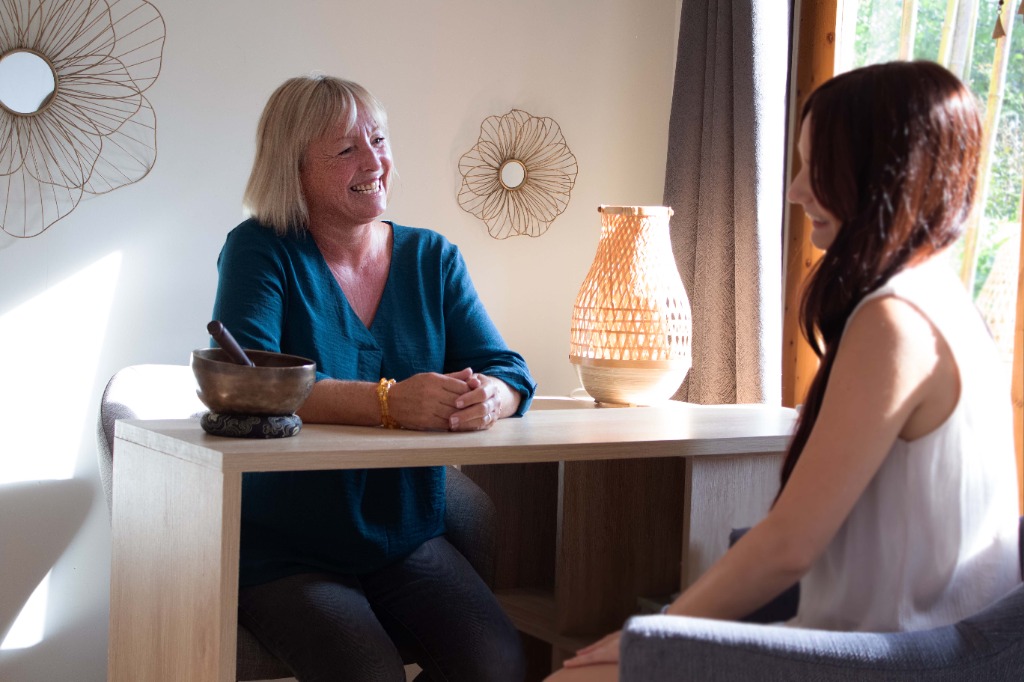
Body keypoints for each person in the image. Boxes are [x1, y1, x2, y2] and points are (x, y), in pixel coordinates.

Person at [545, 61, 1021, 682]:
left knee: (580, 675)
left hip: (893, 662)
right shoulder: (943, 298)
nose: (796, 191)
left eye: (814, 168)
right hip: (928, 646)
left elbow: (789, 546)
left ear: (880, 173)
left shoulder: (894, 321)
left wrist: (655, 635)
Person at [212, 74, 536, 682]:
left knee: (500, 663)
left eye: (378, 140)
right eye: (346, 149)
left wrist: (494, 397)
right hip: (286, 548)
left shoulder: (433, 258)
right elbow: (249, 383)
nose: (374, 161)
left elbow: (508, 369)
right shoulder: (259, 250)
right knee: (369, 674)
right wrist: (391, 403)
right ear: (294, 169)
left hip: (406, 537)